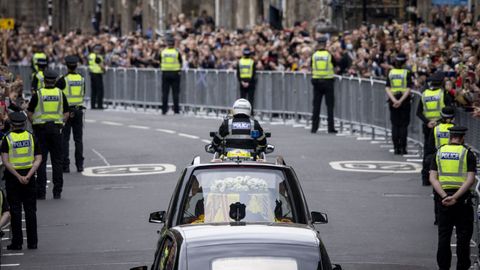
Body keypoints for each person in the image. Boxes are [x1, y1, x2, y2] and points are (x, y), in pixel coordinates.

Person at [429, 126, 477, 270]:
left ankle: (443, 267)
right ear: (462, 138)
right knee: (463, 237)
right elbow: (470, 180)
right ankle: (462, 267)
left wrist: (445, 196)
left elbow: (432, 178)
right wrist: (455, 197)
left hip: (443, 200)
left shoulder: (439, 152)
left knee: (444, 236)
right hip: (462, 200)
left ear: (450, 137)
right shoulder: (467, 153)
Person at [1, 112, 42, 250]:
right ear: (24, 124)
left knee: (16, 210)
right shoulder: (31, 137)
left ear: (11, 124)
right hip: (29, 177)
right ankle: (33, 242)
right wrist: (29, 175)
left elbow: (5, 161)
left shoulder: (7, 139)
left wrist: (18, 176)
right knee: (31, 210)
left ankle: (17, 243)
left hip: (13, 178)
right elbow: (38, 159)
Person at [27, 69, 69, 200]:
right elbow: (66, 113)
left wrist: (34, 122)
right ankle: (57, 192)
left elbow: (29, 112)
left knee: (41, 161)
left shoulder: (38, 94)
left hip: (41, 130)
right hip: (56, 130)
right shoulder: (60, 94)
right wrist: (61, 123)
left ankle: (41, 192)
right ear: (55, 81)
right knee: (57, 161)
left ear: (44, 80)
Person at [417, 71, 452, 186]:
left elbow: (419, 112)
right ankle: (441, 178)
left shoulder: (425, 93)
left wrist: (428, 122)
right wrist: (436, 122)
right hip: (440, 126)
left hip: (428, 126)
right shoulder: (443, 94)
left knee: (428, 152)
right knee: (443, 151)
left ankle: (425, 178)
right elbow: (449, 112)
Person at [425, 106, 456, 225]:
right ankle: (452, 218)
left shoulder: (436, 129)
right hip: (453, 161)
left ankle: (438, 217)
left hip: (438, 160)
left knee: (437, 190)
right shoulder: (455, 129)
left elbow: (429, 146)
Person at [56, 55, 85, 173]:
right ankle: (80, 165)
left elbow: (56, 93)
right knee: (78, 139)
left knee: (65, 139)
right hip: (78, 111)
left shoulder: (63, 79)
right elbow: (84, 92)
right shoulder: (81, 78)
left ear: (67, 66)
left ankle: (65, 165)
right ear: (76, 66)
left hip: (67, 112)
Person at [385, 53, 412, 155]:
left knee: (395, 124)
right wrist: (400, 101)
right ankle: (403, 148)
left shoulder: (391, 72)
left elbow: (387, 87)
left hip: (393, 99)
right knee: (403, 125)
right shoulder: (407, 72)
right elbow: (408, 88)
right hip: (404, 100)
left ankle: (396, 148)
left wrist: (394, 100)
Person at [310, 36, 337, 134]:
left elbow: (311, 66)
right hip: (328, 81)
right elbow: (335, 64)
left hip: (317, 81)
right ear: (325, 44)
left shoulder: (314, 55)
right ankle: (331, 128)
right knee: (330, 106)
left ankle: (314, 128)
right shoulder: (329, 55)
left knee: (316, 106)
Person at [160, 35, 182, 115]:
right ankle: (176, 110)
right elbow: (180, 62)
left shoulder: (163, 52)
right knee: (175, 93)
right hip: (175, 73)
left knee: (165, 93)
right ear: (173, 44)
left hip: (165, 73)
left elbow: (160, 61)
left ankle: (164, 110)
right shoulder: (176, 52)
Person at [237, 48, 256, 113]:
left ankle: (243, 112)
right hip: (250, 82)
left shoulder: (240, 61)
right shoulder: (252, 62)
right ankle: (250, 112)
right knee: (250, 99)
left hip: (243, 82)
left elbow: (238, 73)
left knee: (243, 100)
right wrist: (248, 82)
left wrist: (241, 81)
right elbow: (253, 74)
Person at [88, 44, 105, 109]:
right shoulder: (97, 56)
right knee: (100, 91)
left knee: (93, 91)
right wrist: (104, 70)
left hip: (92, 73)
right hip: (97, 74)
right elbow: (100, 65)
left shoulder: (90, 56)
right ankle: (99, 105)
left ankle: (93, 105)